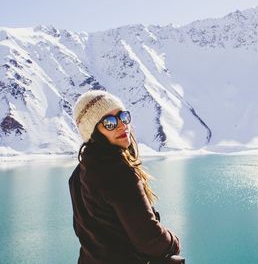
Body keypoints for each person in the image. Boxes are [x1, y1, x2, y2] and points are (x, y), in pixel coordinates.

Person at [68, 90, 183, 264]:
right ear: (93, 133)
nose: (122, 125)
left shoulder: (79, 173)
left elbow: (83, 232)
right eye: (109, 123)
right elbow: (150, 240)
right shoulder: (118, 172)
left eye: (123, 116)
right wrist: (173, 243)